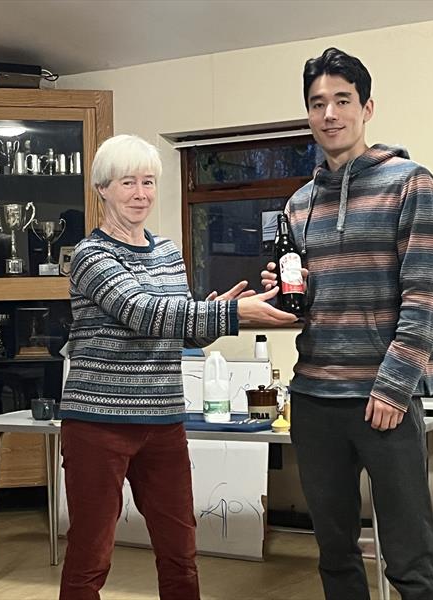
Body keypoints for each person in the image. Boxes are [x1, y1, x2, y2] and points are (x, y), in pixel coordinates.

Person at [59, 134, 297, 600]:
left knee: (180, 548)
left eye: (148, 182)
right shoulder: (90, 256)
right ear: (102, 188)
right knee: (91, 553)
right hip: (98, 423)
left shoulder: (167, 252)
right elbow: (143, 311)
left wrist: (215, 315)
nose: (141, 193)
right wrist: (233, 316)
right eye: (128, 182)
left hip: (163, 421)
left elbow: (182, 328)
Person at [262, 48, 433, 599]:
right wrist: (283, 292)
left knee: (410, 556)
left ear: (367, 107)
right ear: (308, 116)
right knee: (335, 555)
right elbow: (311, 304)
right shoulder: (298, 204)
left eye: (342, 100)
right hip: (314, 400)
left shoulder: (412, 184)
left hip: (381, 401)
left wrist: (394, 388)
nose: (330, 114)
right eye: (317, 103)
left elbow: (425, 296)